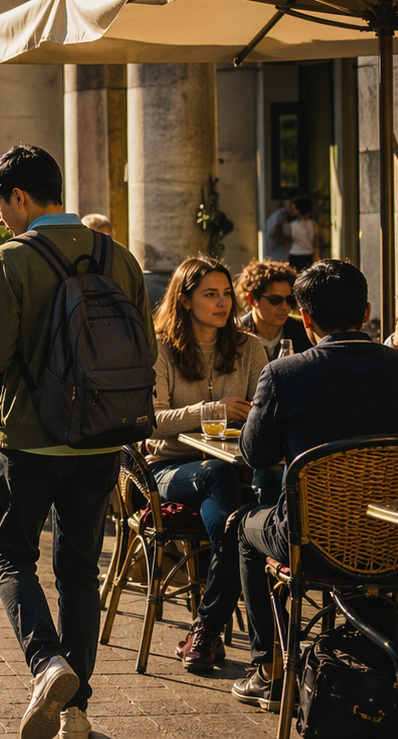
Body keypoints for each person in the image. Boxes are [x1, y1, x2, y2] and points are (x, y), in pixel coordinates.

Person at [0, 144, 153, 739]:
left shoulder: (10, 260)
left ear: (19, 196)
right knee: (78, 568)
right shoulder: (118, 256)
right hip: (101, 438)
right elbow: (145, 345)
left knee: (11, 554)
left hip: (30, 438)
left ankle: (48, 663)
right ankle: (75, 712)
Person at [231, 259, 398, 711]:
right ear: (366, 312)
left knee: (243, 526)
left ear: (306, 319)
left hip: (316, 542)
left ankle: (267, 669)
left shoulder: (285, 375)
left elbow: (255, 455)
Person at [147, 256, 266, 671]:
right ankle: (217, 630)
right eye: (209, 295)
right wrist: (211, 410)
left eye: (226, 294)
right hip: (171, 470)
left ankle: (205, 629)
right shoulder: (160, 348)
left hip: (231, 470)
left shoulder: (250, 347)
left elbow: (266, 414)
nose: (222, 304)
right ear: (184, 299)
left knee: (232, 524)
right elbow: (151, 419)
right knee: (224, 489)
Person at [236, 260, 311, 360]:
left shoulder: (303, 333)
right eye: (275, 300)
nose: (285, 307)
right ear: (251, 299)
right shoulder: (235, 335)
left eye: (290, 300)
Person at [285, 196, 319, 269]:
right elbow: (316, 242)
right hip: (308, 254)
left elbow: (288, 239)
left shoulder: (292, 225)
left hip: (294, 253)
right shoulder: (313, 224)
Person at [263, 199, 295, 264]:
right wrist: (287, 240)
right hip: (277, 255)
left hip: (277, 256)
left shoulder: (281, 215)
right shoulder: (280, 216)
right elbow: (273, 234)